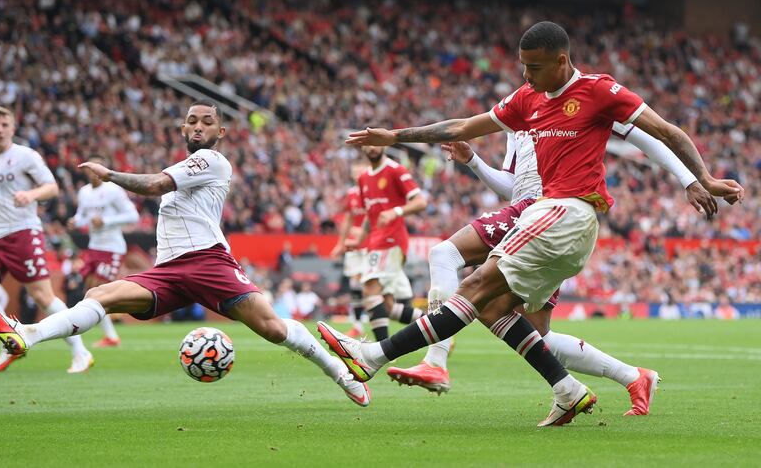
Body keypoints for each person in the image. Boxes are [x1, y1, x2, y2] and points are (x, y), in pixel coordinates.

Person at [318, 21, 743, 426]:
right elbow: (465, 125)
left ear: (561, 60)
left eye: (535, 66)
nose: (526, 74)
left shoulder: (598, 90)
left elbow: (665, 132)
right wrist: (395, 137)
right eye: (523, 65)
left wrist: (699, 179)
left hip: (566, 212)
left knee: (468, 283)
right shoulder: (526, 101)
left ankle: (378, 356)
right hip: (547, 217)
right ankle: (571, 390)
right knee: (496, 308)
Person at [0, 100, 370, 407]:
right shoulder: (186, 163)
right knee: (99, 295)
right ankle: (28, 333)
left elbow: (154, 185)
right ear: (183, 128)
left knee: (273, 329)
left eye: (206, 121)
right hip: (168, 270)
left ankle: (340, 372)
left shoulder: (211, 160)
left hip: (208, 262)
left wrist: (111, 175)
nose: (198, 126)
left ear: (220, 131)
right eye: (192, 121)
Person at [389, 123, 705, 415]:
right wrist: (474, 162)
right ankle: (633, 377)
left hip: (550, 211)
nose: (528, 71)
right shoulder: (517, 108)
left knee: (445, 254)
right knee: (532, 333)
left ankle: (435, 360)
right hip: (531, 214)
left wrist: (689, 179)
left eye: (534, 65)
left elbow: (646, 134)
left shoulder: (582, 96)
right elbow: (513, 185)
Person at [0, 106, 92, 374]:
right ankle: (10, 339)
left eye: (4, 124)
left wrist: (31, 195)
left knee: (43, 296)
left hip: (24, 232)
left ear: (12, 128)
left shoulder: (25, 155)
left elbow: (52, 187)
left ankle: (81, 351)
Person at [347, 146, 427, 341]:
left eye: (376, 142)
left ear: (383, 145)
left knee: (369, 290)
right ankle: (440, 329)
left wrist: (396, 211)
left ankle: (381, 349)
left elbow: (420, 202)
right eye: (367, 143)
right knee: (389, 307)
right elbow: (369, 214)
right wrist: (358, 240)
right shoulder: (364, 178)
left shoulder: (395, 170)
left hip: (391, 240)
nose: (372, 147)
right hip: (375, 242)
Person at [68, 154, 140, 347]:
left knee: (100, 290)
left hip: (111, 247)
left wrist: (106, 221)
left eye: (98, 169)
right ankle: (111, 336)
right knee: (90, 291)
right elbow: (84, 216)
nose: (95, 173)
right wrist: (76, 221)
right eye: (91, 169)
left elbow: (133, 215)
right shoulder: (84, 192)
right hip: (94, 247)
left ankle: (112, 333)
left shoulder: (114, 191)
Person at [330, 162, 369, 337]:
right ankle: (358, 325)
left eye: (359, 171)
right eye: (354, 172)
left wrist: (366, 231)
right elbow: (348, 219)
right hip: (354, 245)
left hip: (372, 245)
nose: (356, 175)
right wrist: (340, 243)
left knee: (374, 287)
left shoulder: (373, 192)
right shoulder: (352, 194)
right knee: (355, 285)